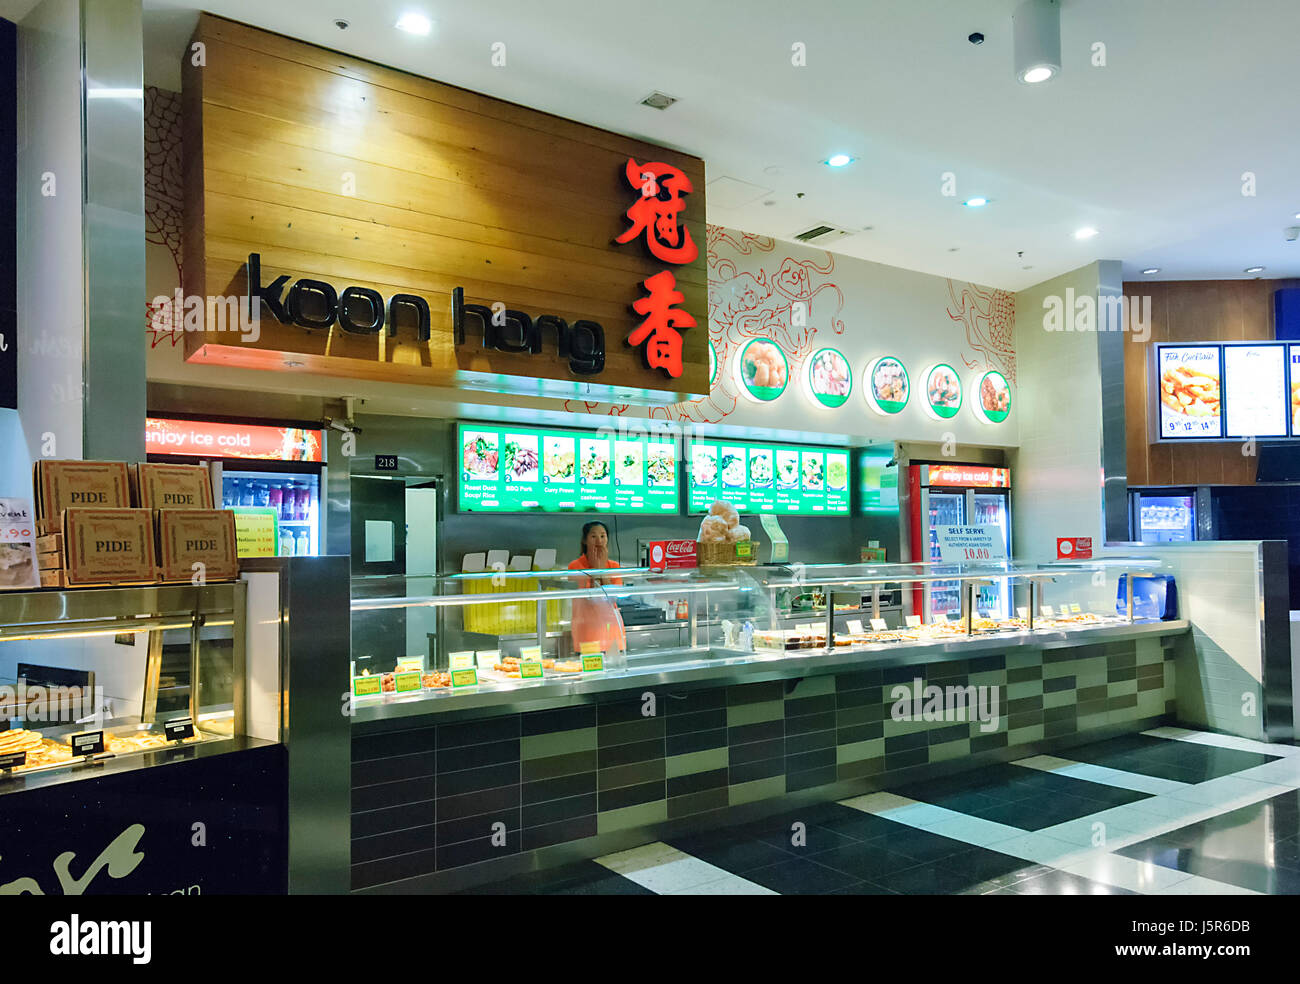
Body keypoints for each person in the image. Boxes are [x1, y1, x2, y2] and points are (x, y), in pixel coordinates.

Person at [567, 521, 627, 658]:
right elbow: (591, 598)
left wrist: (602, 570)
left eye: (603, 536)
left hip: (612, 632)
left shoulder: (614, 565)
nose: (599, 541)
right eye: (593, 536)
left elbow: (612, 598)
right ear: (585, 540)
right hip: (587, 632)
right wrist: (595, 570)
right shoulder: (575, 566)